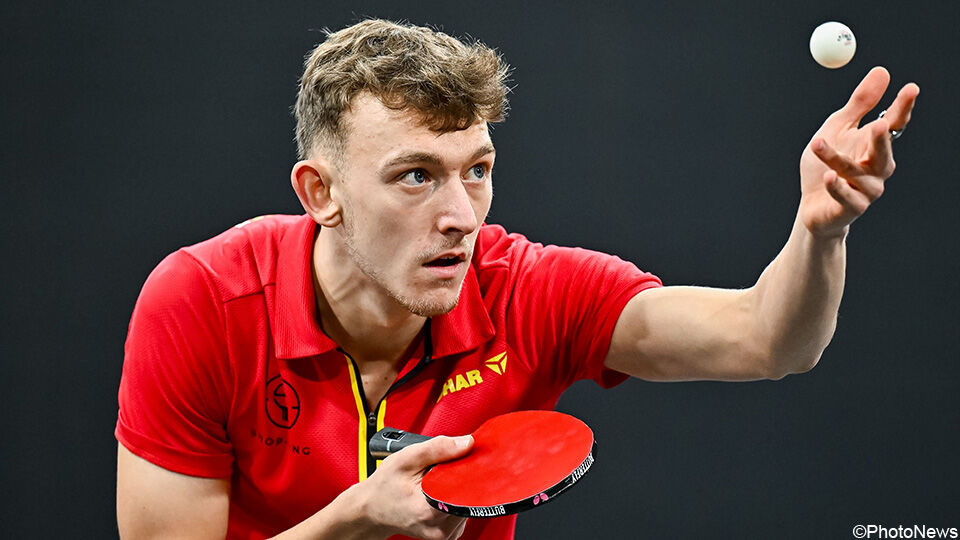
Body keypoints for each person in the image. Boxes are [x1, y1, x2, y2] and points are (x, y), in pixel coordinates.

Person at [115, 18, 919, 540]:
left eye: (478, 170)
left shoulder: (529, 291)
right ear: (320, 193)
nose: (460, 215)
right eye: (416, 176)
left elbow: (767, 341)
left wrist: (822, 231)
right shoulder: (202, 300)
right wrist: (354, 519)